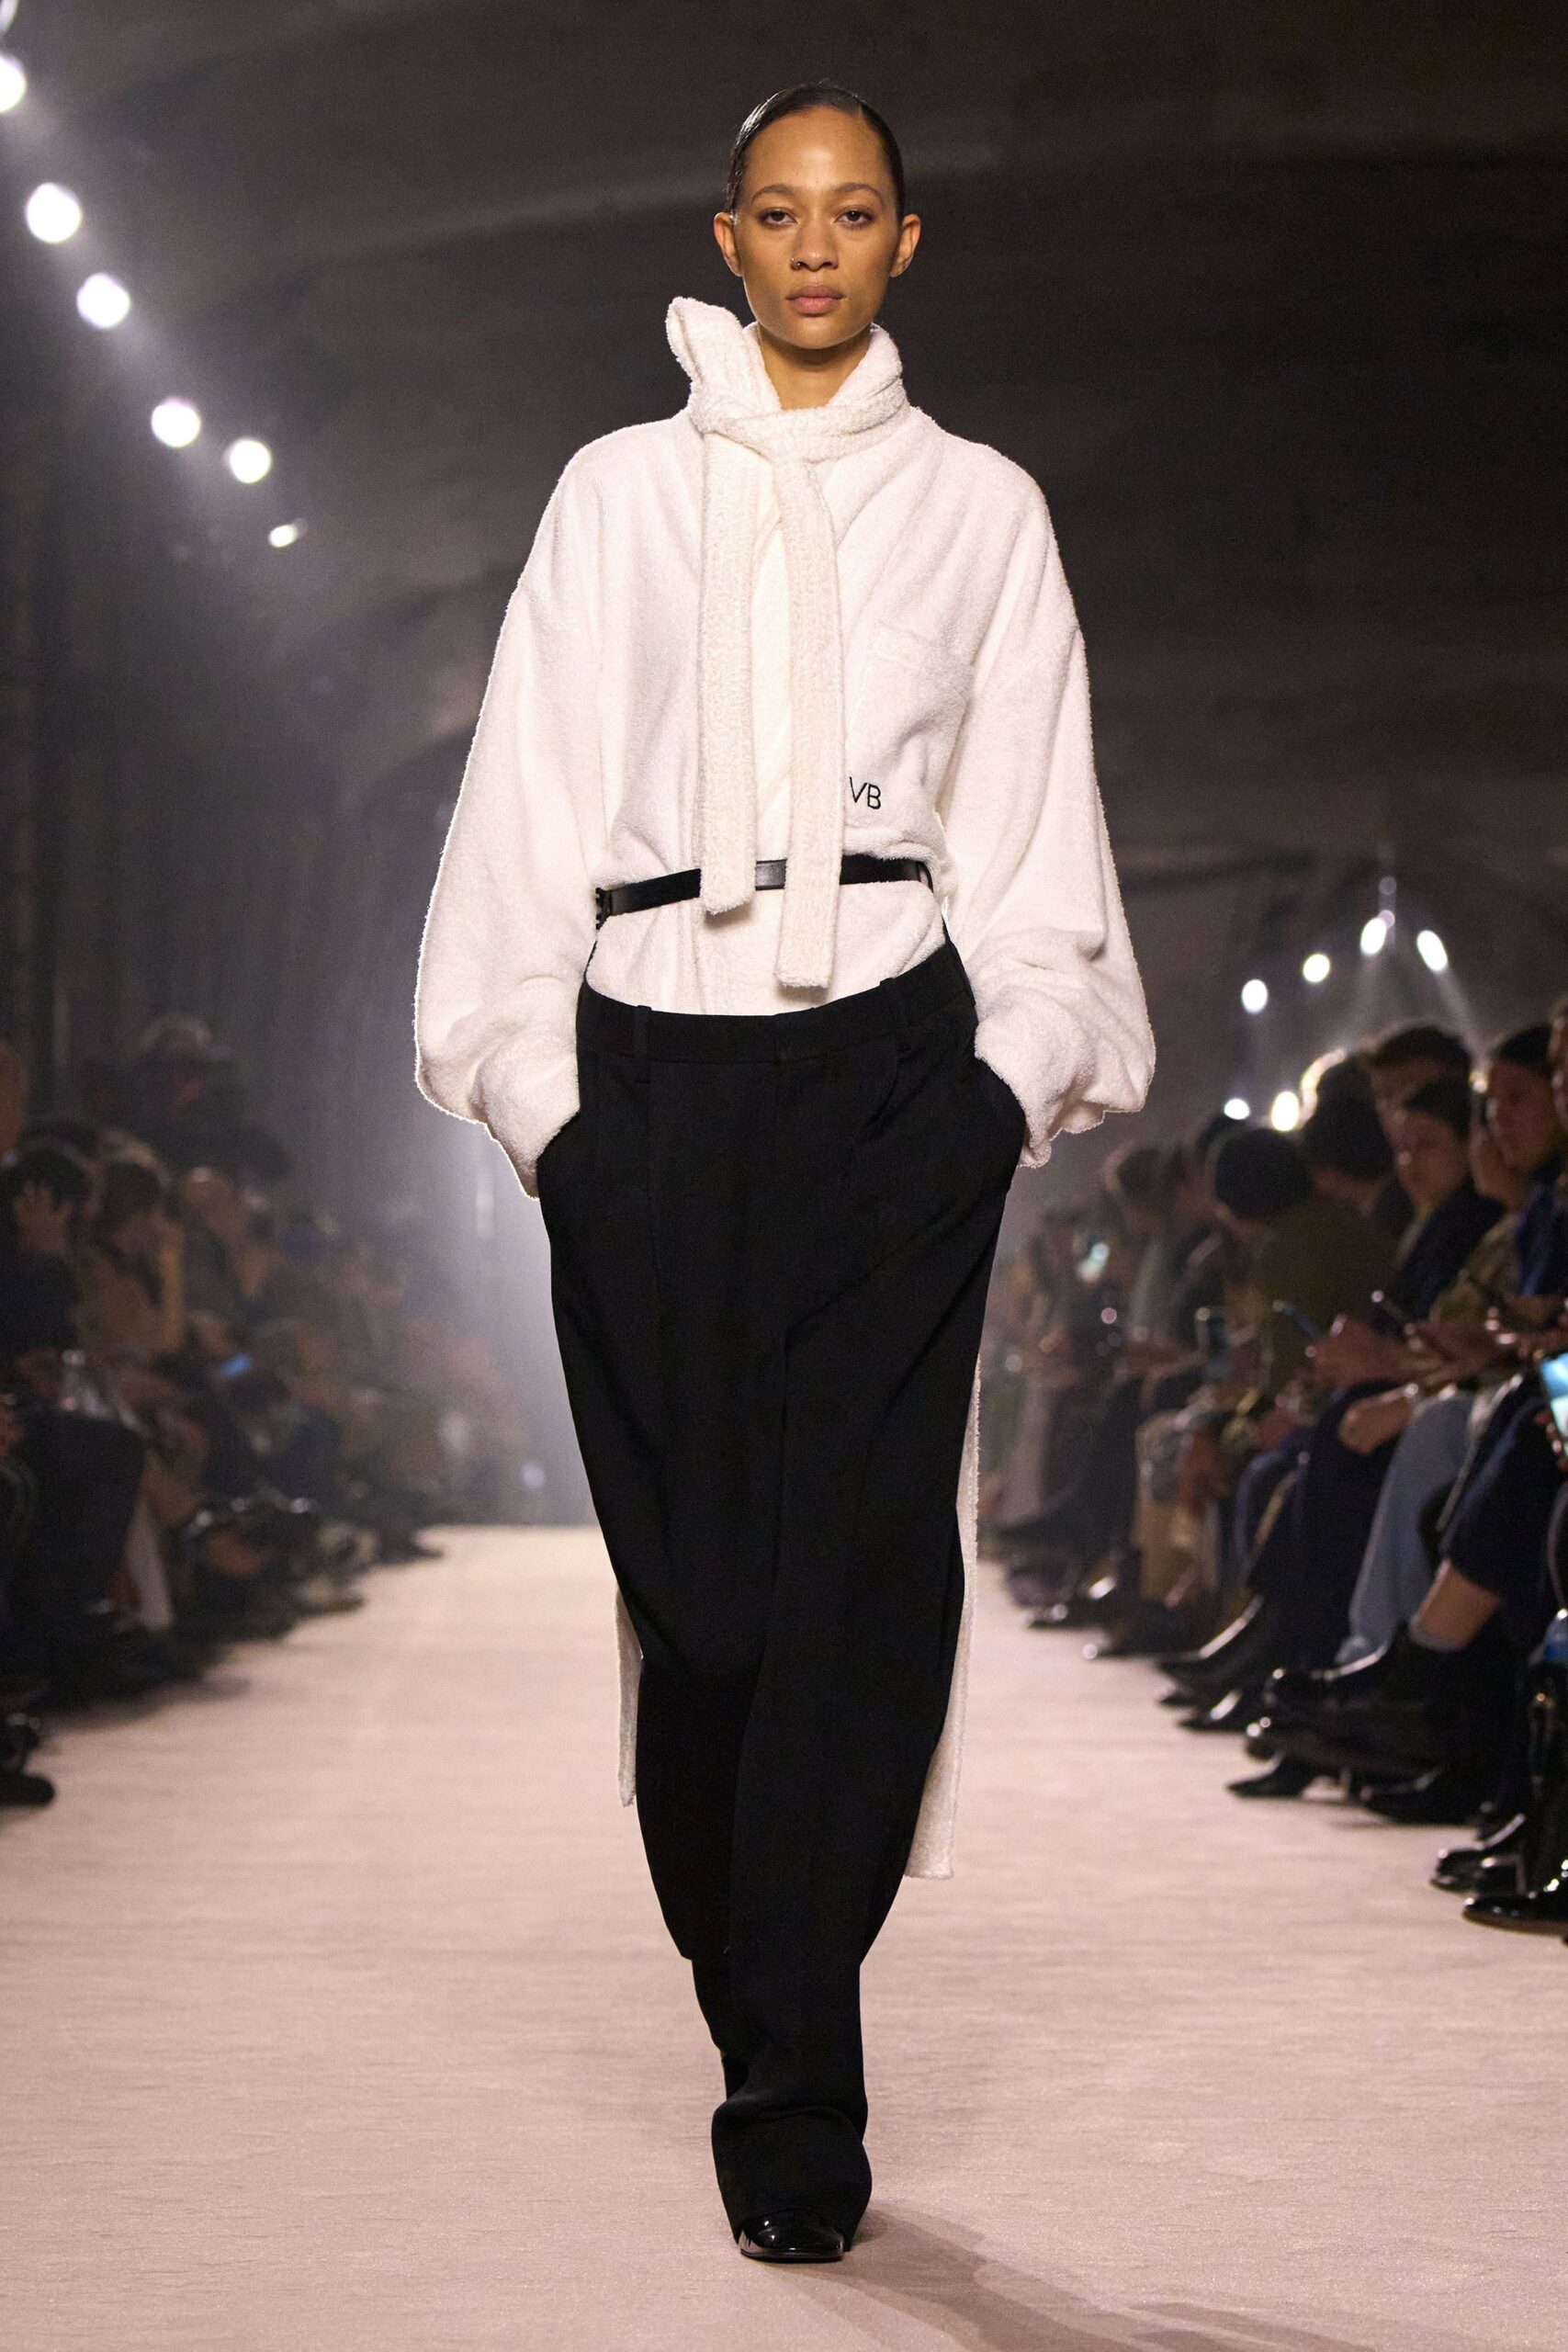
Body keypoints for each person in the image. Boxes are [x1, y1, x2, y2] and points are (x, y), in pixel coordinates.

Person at [413, 83, 1153, 2261]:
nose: (813, 246)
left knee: (858, 1586)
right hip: (646, 1077)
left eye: (852, 212)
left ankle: (795, 2081)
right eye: (776, 210)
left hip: (892, 1070)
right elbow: (523, 802)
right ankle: (751, 1969)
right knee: (709, 1606)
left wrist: (1001, 1087)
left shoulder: (983, 510)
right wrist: (544, 1109)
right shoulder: (612, 496)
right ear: (724, 237)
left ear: (904, 243)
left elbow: (1034, 831)